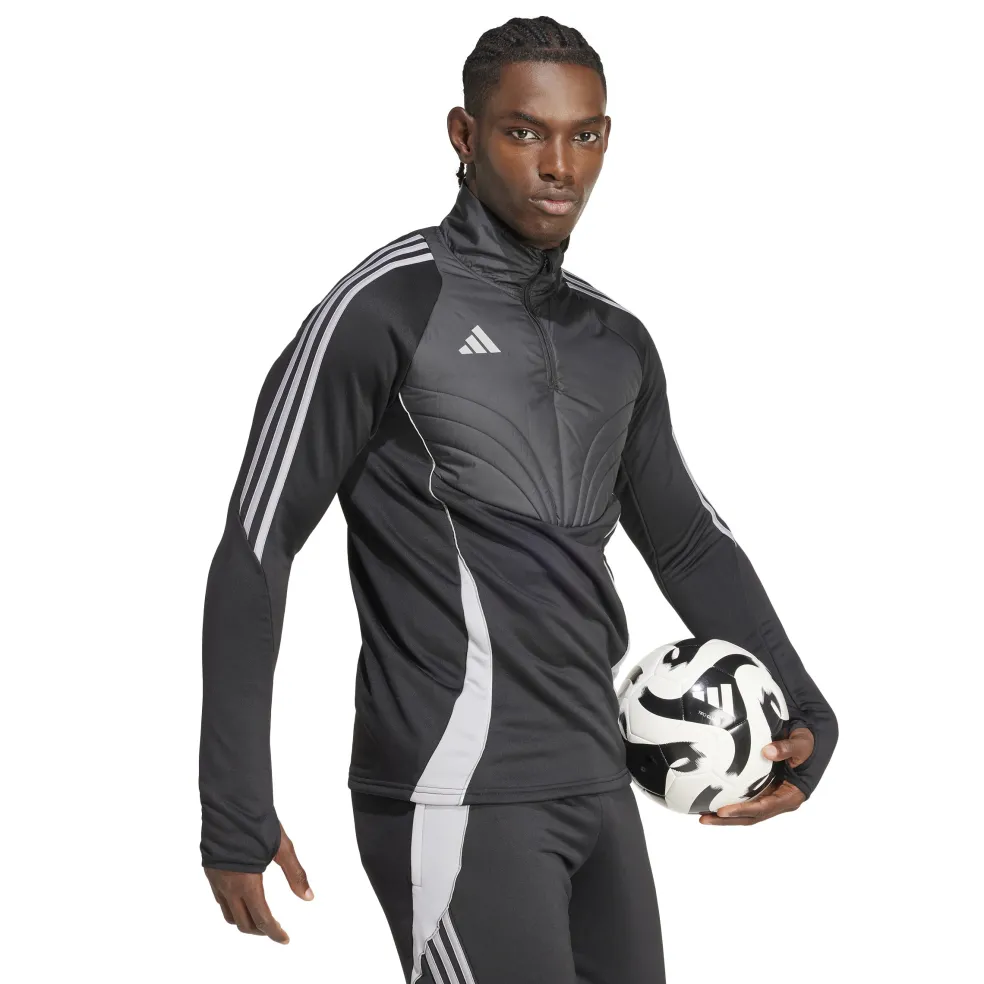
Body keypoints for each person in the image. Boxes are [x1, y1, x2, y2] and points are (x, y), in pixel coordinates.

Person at [199, 15, 838, 983]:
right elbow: (257, 546)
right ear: (464, 135)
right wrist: (234, 802)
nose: (559, 165)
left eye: (585, 135)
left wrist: (806, 713)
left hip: (600, 784)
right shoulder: (384, 309)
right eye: (525, 131)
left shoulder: (617, 342)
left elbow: (688, 545)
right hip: (453, 794)